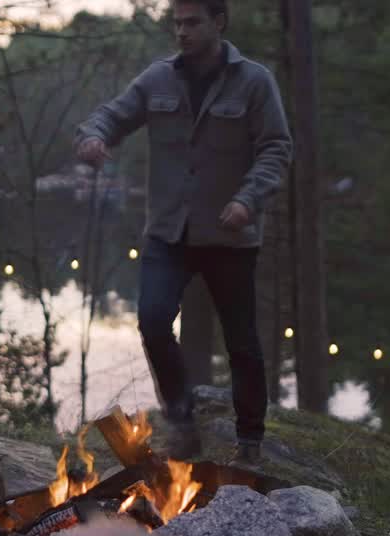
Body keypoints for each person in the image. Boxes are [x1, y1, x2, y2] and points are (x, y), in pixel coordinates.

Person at [75, 0, 292, 464]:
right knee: (153, 321)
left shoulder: (254, 82)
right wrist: (94, 137)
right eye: (177, 23)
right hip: (167, 233)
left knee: (242, 341)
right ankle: (181, 420)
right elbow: (111, 115)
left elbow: (276, 148)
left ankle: (250, 439)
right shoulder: (158, 78)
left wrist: (246, 199)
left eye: (192, 23)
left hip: (229, 235)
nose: (182, 32)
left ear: (219, 22)